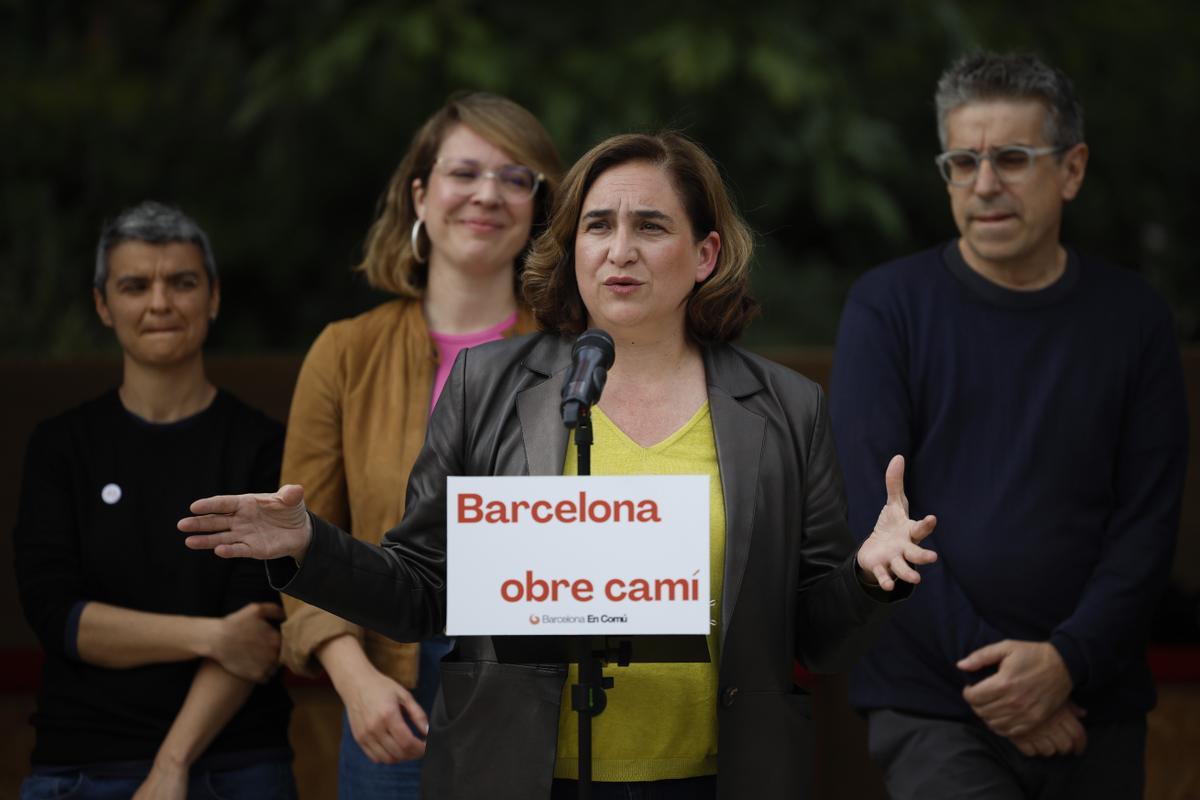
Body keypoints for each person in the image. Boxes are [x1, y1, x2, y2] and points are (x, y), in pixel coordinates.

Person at [180, 132, 936, 800]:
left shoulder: (784, 407)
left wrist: (869, 577)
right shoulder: (487, 386)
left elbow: (820, 638)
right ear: (572, 246)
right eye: (597, 226)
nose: (620, 250)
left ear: (705, 253)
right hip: (517, 771)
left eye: (651, 226)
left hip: (718, 776)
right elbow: (421, 591)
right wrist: (310, 547)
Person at [830, 52, 1188, 799]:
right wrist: (1004, 681)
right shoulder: (887, 308)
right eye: (963, 161)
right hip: (935, 705)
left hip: (1093, 700)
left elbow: (1148, 525)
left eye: (1013, 158)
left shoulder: (1134, 320)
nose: (984, 183)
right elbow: (878, 516)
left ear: (1073, 168)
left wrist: (1064, 664)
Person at [276, 91, 561, 798]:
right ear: (421, 195)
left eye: (515, 177)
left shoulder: (580, 356)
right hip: (391, 691)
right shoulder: (347, 352)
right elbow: (299, 537)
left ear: (538, 207)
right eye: (464, 173)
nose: (487, 195)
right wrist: (356, 680)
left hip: (540, 689)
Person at [13, 201, 294, 800]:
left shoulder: (262, 446)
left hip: (237, 766)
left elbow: (258, 630)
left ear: (213, 297)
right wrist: (210, 636)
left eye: (182, 282)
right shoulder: (61, 446)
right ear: (102, 304)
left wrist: (171, 765)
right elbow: (60, 618)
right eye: (135, 285)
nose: (160, 303)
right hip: (80, 767)